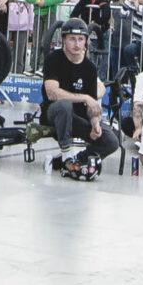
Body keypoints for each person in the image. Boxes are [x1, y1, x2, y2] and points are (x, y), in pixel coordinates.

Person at [44, 20, 119, 174]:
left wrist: (94, 122)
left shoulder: (89, 68)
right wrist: (84, 97)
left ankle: (75, 161)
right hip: (54, 113)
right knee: (64, 105)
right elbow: (52, 93)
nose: (77, 44)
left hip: (79, 118)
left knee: (111, 141)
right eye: (72, 39)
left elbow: (91, 106)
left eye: (80, 39)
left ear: (86, 41)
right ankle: (66, 155)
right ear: (64, 40)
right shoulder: (54, 59)